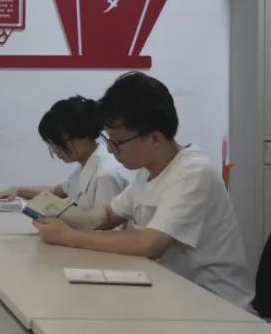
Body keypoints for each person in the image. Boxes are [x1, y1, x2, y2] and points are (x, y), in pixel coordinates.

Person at [34, 72, 255, 309]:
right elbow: (108, 215)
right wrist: (63, 217)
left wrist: (68, 236)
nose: (110, 150)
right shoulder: (147, 172)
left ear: (154, 138)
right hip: (170, 294)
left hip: (216, 307)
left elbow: (150, 243)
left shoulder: (193, 173)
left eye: (117, 142)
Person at [0, 96, 129, 209]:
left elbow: (107, 231)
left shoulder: (105, 176)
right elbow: (56, 191)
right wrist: (18, 190)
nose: (56, 151)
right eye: (53, 145)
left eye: (59, 143)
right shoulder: (88, 163)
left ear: (84, 134)